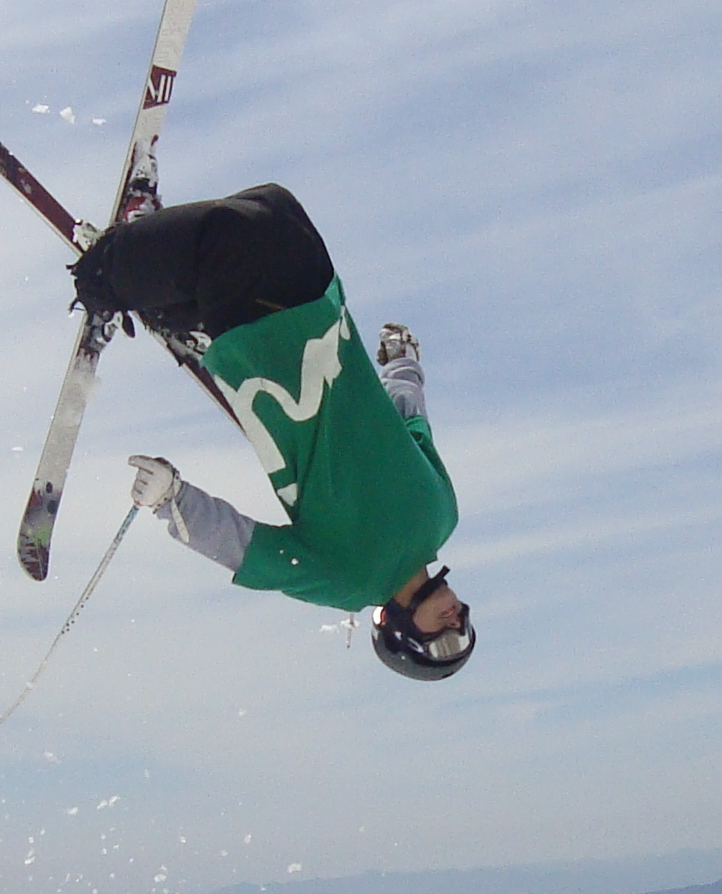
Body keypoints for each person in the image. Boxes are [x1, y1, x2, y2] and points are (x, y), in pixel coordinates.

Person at [68, 183, 475, 681]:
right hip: (318, 298)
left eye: (444, 642)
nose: (457, 623)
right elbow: (411, 425)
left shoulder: (346, 579)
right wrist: (404, 363)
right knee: (271, 211)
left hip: (255, 326)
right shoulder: (441, 514)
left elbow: (247, 550)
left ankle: (114, 273)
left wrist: (173, 500)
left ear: (397, 629)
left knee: (214, 240)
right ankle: (141, 274)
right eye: (465, 631)